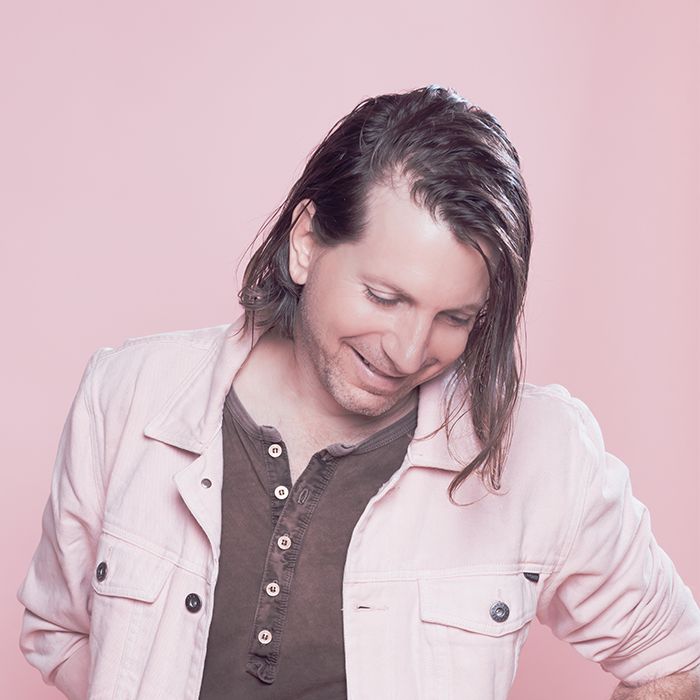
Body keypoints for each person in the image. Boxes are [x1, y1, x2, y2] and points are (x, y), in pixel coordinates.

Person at [17, 85, 700, 700]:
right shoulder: (127, 397)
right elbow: (58, 630)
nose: (408, 351)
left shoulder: (546, 453)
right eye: (384, 296)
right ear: (306, 242)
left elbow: (677, 662)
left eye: (454, 318)